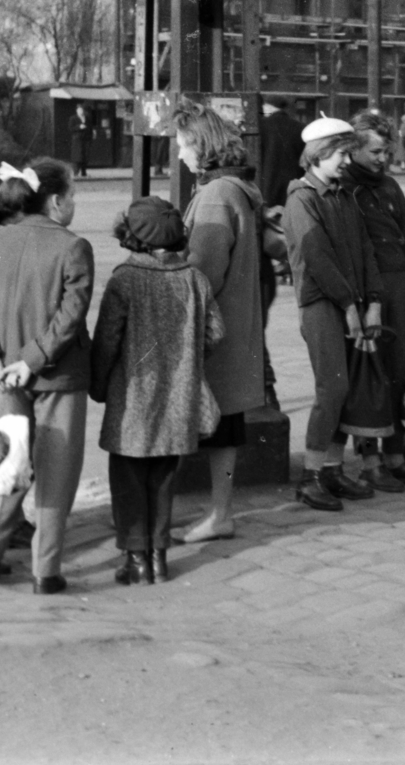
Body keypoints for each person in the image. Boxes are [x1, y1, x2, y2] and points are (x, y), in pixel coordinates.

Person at [0, 158, 92, 594]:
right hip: (58, 377)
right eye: (72, 195)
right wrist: (34, 359)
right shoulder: (74, 247)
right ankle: (45, 570)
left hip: (5, 377)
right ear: (55, 201)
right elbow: (70, 317)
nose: (73, 203)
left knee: (7, 462)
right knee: (57, 474)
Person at [91, 197, 225, 586]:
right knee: (165, 477)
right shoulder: (194, 279)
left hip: (132, 399)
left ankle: (136, 558)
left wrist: (98, 385)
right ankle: (159, 557)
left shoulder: (125, 279)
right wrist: (189, 359)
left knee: (128, 476)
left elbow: (106, 341)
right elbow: (216, 332)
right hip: (178, 399)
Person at [172, 103, 266, 544]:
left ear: (202, 144)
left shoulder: (215, 195)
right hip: (235, 325)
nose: (179, 154)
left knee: (207, 419)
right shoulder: (236, 189)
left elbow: (203, 271)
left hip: (212, 331)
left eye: (183, 145)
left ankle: (207, 512)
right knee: (226, 422)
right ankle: (220, 511)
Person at [284, 117, 384, 511]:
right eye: (342, 154)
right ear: (319, 154)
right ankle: (310, 478)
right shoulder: (302, 199)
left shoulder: (343, 195)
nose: (347, 161)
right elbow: (318, 259)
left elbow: (366, 250)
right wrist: (348, 305)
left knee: (347, 389)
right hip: (322, 305)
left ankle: (331, 469)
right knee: (333, 389)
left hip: (351, 303)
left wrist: (373, 301)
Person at [347, 111, 405, 489]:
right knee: (372, 379)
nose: (383, 159)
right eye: (375, 152)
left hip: (398, 291)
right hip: (367, 295)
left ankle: (397, 457)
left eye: (386, 151)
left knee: (400, 372)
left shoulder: (390, 187)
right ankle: (370, 463)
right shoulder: (346, 189)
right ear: (353, 149)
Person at [258, 97, 304, 210]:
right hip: (293, 185)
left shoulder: (260, 126)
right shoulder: (300, 127)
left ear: (268, 107)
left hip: (266, 185)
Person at [68, 104, 92, 178]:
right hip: (77, 140)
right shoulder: (73, 118)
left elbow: (90, 127)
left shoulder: (87, 118)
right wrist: (79, 127)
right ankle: (76, 172)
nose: (81, 111)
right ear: (76, 111)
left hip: (86, 139)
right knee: (77, 156)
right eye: (79, 110)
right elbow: (70, 128)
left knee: (85, 156)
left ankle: (84, 172)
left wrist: (91, 135)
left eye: (82, 110)